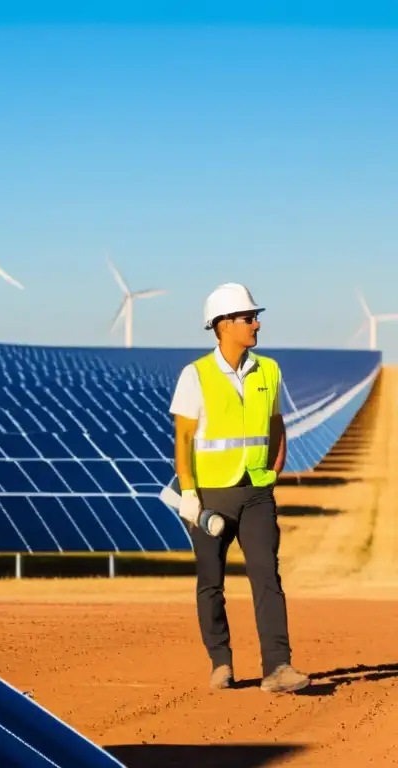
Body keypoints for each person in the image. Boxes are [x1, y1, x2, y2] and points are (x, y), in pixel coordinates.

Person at [168, 282, 310, 694]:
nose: (256, 324)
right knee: (211, 581)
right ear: (224, 325)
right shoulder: (195, 375)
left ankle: (278, 668)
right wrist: (190, 493)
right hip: (210, 494)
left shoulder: (269, 369)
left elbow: (276, 419)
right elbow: (184, 439)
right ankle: (221, 661)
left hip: (257, 491)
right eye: (249, 318)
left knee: (268, 576)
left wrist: (278, 455)